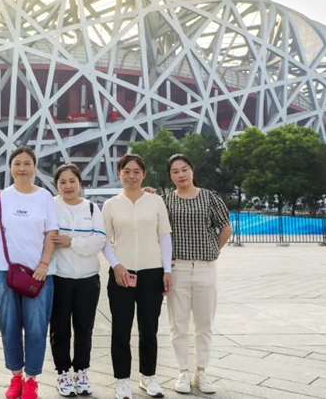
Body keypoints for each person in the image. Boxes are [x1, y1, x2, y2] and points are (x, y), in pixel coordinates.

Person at [0, 146, 59, 399]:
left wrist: (44, 265)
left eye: (27, 163)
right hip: (5, 272)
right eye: (17, 164)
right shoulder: (1, 198)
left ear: (34, 167)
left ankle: (31, 379)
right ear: (10, 168)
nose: (22, 168)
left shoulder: (45, 197)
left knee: (36, 327)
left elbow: (51, 234)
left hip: (38, 274)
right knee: (9, 326)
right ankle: (15, 377)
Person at [101, 154, 172, 399]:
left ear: (143, 174)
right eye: (126, 171)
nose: (131, 176)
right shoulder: (111, 205)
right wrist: (116, 265)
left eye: (136, 171)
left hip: (152, 272)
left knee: (149, 327)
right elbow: (104, 241)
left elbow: (164, 236)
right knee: (121, 328)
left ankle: (148, 376)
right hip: (121, 273)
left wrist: (167, 270)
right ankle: (122, 380)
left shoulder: (155, 201)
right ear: (119, 173)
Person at [164, 154, 232, 395]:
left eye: (184, 169)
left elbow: (226, 228)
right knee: (178, 324)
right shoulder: (166, 200)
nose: (181, 175)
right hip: (178, 269)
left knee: (204, 323)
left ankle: (201, 371)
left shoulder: (210, 197)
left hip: (205, 268)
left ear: (192, 170)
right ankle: (183, 371)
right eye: (175, 171)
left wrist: (213, 250)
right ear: (170, 176)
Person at [49, 163, 107, 397]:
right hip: (60, 278)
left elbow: (99, 241)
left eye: (72, 181)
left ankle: (81, 371)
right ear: (56, 185)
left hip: (88, 279)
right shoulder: (50, 206)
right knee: (60, 328)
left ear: (80, 183)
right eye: (62, 182)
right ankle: (63, 372)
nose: (68, 186)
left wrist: (71, 242)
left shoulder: (91, 209)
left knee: (84, 328)